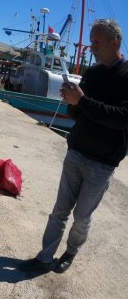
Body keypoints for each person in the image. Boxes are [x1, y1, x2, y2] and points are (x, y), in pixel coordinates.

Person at [28, 19, 128, 273]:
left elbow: (121, 118)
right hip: (76, 152)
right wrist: (72, 102)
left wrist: (81, 102)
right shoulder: (92, 73)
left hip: (103, 162)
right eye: (91, 41)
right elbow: (78, 115)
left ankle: (70, 253)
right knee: (59, 210)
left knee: (82, 217)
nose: (91, 47)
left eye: (96, 41)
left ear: (114, 42)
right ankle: (44, 257)